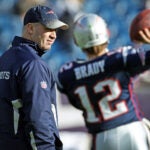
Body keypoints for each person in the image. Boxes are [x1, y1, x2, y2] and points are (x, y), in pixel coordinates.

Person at [57, 13, 150, 150]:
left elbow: (74, 100)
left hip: (101, 138)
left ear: (77, 41)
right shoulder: (120, 58)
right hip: (131, 130)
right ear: (106, 34)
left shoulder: (67, 74)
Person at [0, 5, 68, 150]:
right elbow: (39, 120)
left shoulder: (5, 59)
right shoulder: (33, 64)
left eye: (55, 30)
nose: (54, 35)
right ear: (30, 28)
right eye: (48, 28)